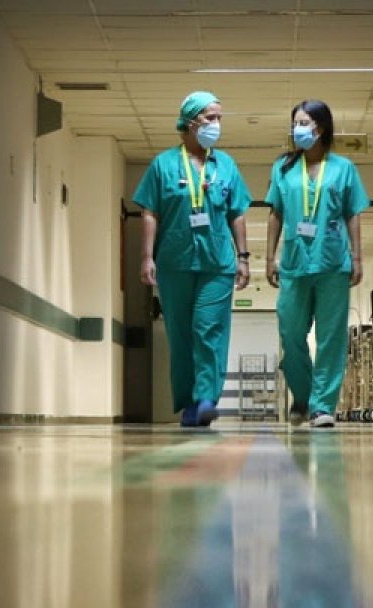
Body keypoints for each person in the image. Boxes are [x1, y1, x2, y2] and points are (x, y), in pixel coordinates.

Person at [133, 91, 253, 427]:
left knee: (208, 328)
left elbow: (237, 213)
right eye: (209, 117)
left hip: (217, 263)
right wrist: (147, 257)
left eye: (219, 118)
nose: (216, 124)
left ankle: (205, 398)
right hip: (174, 262)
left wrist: (243, 257)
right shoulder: (163, 165)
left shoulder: (225, 165)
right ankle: (188, 402)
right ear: (189, 122)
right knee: (181, 333)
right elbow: (150, 212)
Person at [265, 100, 370, 429]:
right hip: (294, 264)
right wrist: (269, 257)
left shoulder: (343, 168)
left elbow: (352, 213)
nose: (297, 129)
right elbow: (276, 213)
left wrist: (356, 256)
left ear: (320, 128)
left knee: (331, 339)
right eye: (294, 123)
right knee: (291, 332)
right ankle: (304, 393)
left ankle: (322, 406)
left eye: (303, 123)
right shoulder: (282, 168)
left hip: (332, 263)